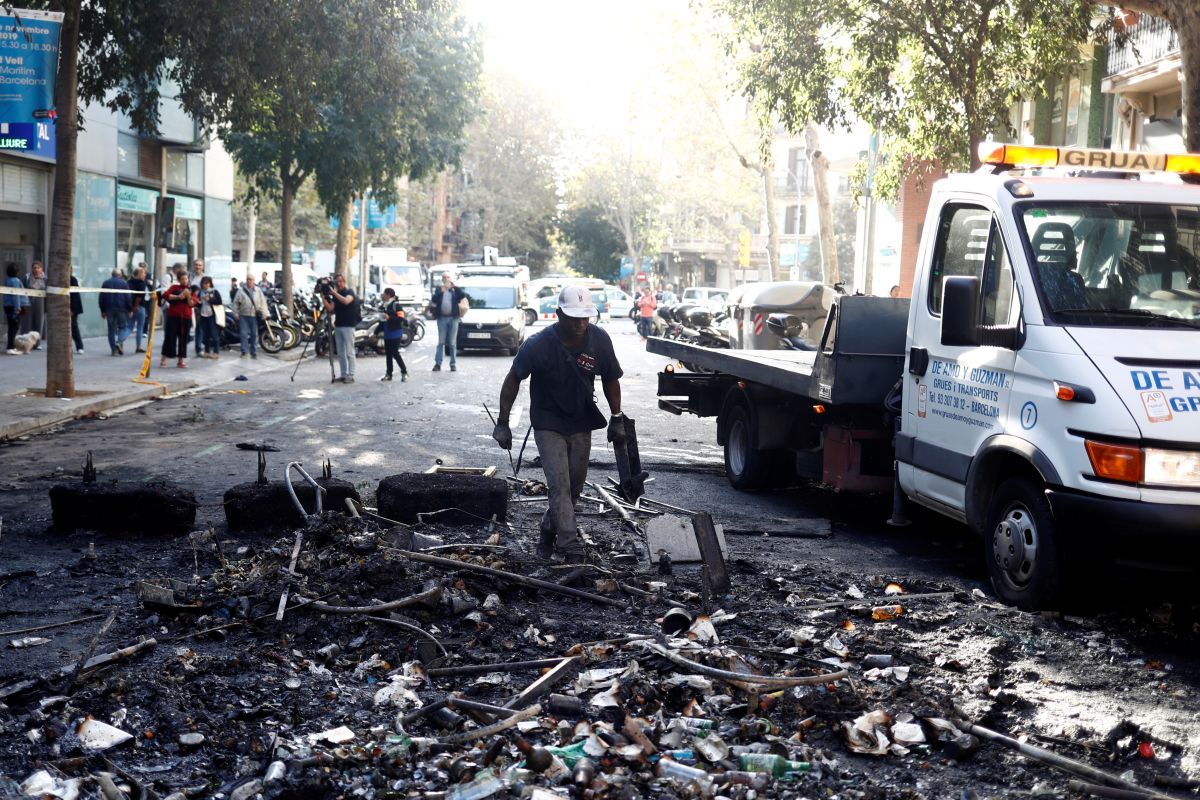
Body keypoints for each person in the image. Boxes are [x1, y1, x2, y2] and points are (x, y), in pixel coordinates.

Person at [492, 285, 625, 562]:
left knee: (575, 487)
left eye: (585, 317)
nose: (580, 323)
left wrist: (617, 418)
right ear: (558, 315)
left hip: (581, 420)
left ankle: (547, 531)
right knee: (559, 484)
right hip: (547, 421)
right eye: (574, 317)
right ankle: (569, 543)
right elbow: (514, 377)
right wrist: (503, 422)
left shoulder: (599, 340)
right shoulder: (539, 344)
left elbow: (611, 378)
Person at [323, 273, 359, 383]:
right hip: (338, 325)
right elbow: (330, 308)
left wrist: (334, 292)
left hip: (348, 326)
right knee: (341, 352)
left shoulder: (349, 292)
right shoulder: (336, 294)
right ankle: (344, 374)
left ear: (344, 282)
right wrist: (323, 298)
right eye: (337, 281)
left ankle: (351, 375)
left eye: (341, 281)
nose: (339, 283)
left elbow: (346, 301)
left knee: (349, 352)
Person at [429, 272, 466, 372]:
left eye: (448, 277)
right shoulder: (439, 289)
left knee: (452, 343)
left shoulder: (454, 290)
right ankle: (438, 364)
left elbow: (462, 296)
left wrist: (455, 287)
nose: (446, 279)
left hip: (453, 319)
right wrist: (441, 291)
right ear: (442, 279)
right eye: (444, 277)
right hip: (442, 319)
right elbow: (434, 299)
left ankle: (453, 364)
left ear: (451, 279)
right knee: (441, 342)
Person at [160, 267, 194, 368]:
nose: (185, 281)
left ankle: (180, 360)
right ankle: (163, 359)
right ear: (179, 280)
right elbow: (165, 295)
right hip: (173, 316)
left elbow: (192, 304)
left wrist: (188, 296)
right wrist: (178, 297)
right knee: (169, 338)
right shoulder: (174, 288)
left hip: (186, 317)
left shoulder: (192, 289)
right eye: (182, 279)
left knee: (183, 339)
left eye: (186, 278)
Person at [230, 275, 268, 359]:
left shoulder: (258, 290)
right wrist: (235, 313)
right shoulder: (241, 291)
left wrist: (265, 313)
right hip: (243, 315)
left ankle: (253, 352)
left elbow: (263, 302)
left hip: (254, 315)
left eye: (250, 279)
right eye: (247, 279)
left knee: (254, 334)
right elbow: (235, 303)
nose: (249, 281)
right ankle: (245, 351)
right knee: (243, 334)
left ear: (254, 280)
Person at [99, 268, 132, 356]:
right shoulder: (124, 283)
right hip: (122, 309)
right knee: (123, 327)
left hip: (109, 309)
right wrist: (130, 309)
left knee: (111, 330)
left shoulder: (105, 283)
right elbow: (128, 297)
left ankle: (114, 350)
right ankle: (119, 342)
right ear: (120, 275)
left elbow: (101, 298)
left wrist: (102, 310)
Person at [379, 287, 408, 382]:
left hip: (396, 332)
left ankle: (404, 371)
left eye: (384, 293)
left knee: (395, 352)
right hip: (387, 332)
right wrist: (377, 331)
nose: (383, 295)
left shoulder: (397, 305)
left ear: (388, 295)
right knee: (388, 354)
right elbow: (382, 320)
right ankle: (389, 374)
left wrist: (389, 317)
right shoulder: (384, 306)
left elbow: (400, 318)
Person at [195, 276, 223, 359]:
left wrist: (209, 299)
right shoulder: (201, 292)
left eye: (207, 283)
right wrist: (199, 302)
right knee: (205, 335)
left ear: (210, 283)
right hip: (203, 315)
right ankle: (207, 351)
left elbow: (219, 301)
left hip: (212, 316)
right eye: (204, 283)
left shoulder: (214, 291)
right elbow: (198, 304)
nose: (205, 285)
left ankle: (216, 352)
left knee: (214, 334)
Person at [4, 263, 28, 355]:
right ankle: (10, 347)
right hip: (13, 306)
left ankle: (11, 346)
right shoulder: (15, 281)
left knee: (12, 326)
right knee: (14, 327)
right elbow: (16, 295)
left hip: (8, 306)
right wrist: (18, 308)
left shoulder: (7, 280)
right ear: (17, 272)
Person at [22, 261, 46, 349]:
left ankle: (37, 344)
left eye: (38, 267)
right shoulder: (27, 277)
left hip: (40, 302)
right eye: (34, 268)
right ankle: (26, 343)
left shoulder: (45, 279)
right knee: (27, 323)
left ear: (41, 269)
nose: (36, 269)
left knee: (39, 322)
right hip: (28, 302)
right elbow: (22, 289)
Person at [127, 265, 150, 352]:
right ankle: (138, 347)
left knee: (129, 327)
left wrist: (130, 308)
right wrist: (135, 307)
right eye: (144, 273)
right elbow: (139, 297)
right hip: (139, 307)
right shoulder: (141, 283)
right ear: (139, 274)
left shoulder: (128, 282)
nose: (145, 275)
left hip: (130, 307)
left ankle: (119, 341)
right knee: (140, 327)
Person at [70, 274, 84, 354]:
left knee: (74, 328)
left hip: (73, 308)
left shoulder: (73, 280)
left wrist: (73, 310)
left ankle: (80, 346)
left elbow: (75, 295)